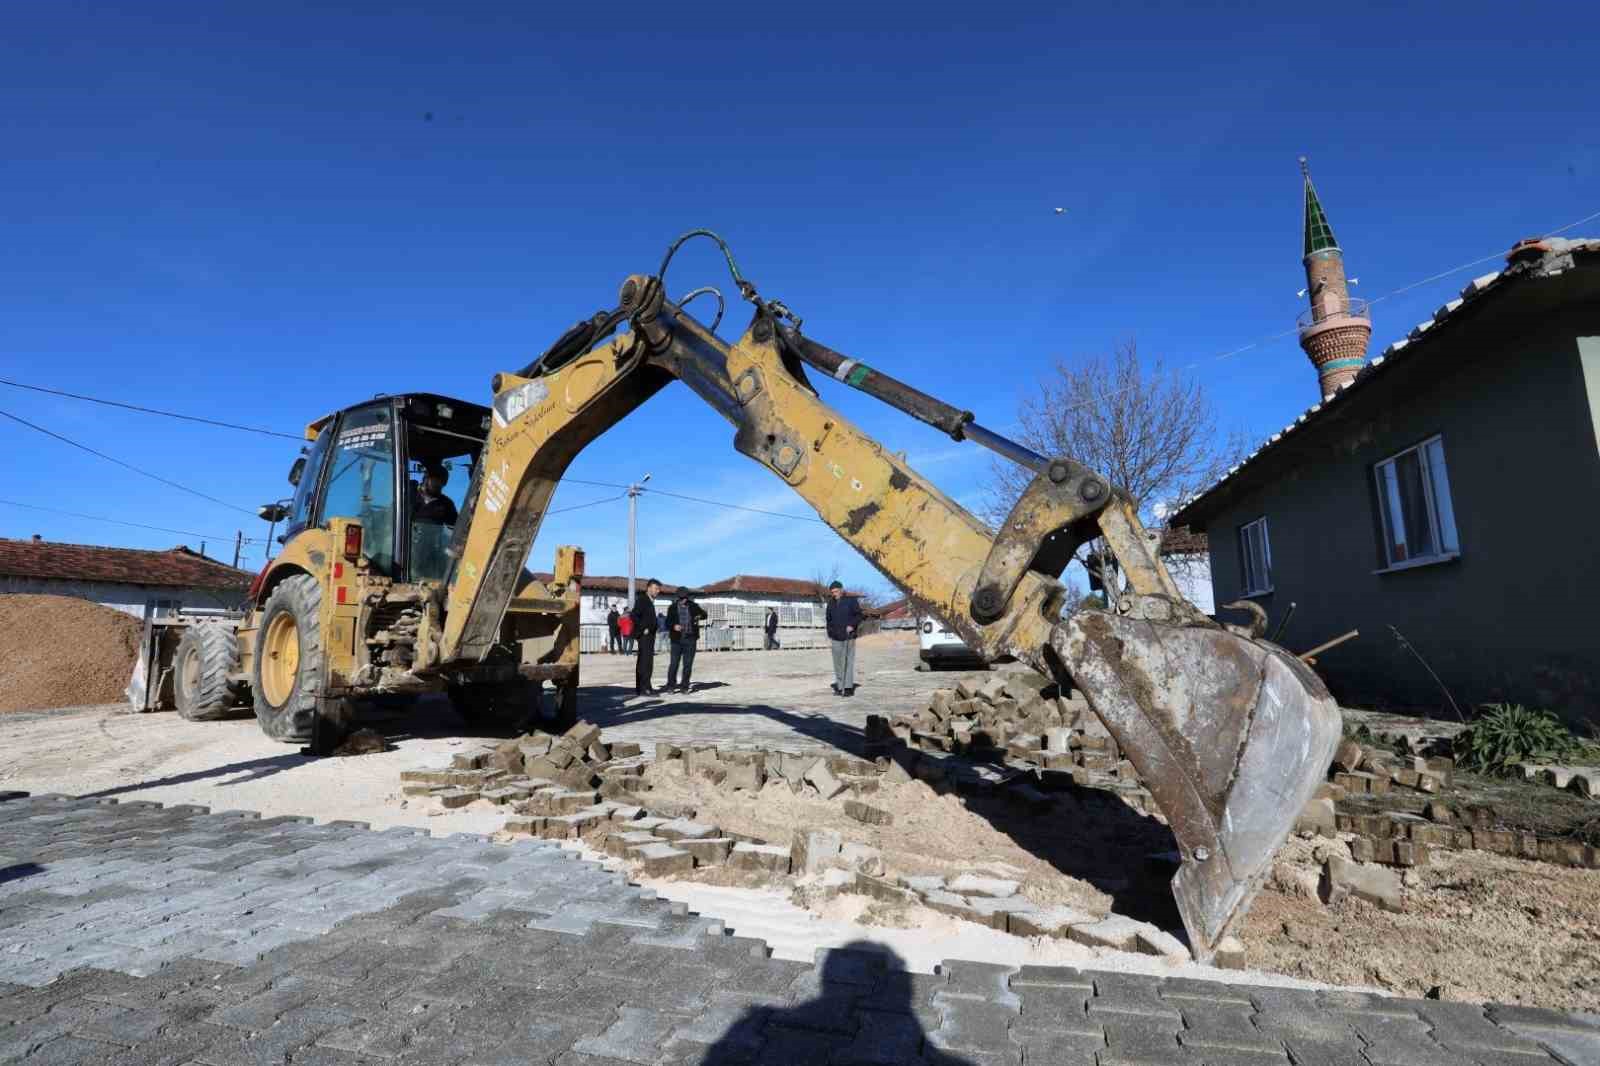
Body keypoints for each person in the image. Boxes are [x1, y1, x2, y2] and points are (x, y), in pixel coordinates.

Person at [665, 587, 708, 694]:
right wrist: (674, 626)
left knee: (687, 665)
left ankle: (684, 687)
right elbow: (667, 623)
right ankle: (671, 686)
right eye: (681, 598)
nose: (683, 600)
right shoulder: (672, 608)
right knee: (674, 664)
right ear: (678, 598)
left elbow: (704, 614)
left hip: (690, 639)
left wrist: (699, 616)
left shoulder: (693, 606)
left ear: (687, 597)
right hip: (676, 640)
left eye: (684, 598)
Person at [824, 580, 862, 696]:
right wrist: (830, 632)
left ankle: (849, 687)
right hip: (835, 636)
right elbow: (828, 619)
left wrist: (852, 625)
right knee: (838, 663)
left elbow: (859, 615)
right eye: (832, 592)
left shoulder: (851, 601)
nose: (834, 594)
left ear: (841, 589)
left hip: (848, 636)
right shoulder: (830, 603)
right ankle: (840, 687)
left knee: (848, 662)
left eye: (836, 591)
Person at [629, 579, 661, 696]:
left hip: (649, 636)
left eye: (658, 589)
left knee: (646, 662)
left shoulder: (649, 601)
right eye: (655, 588)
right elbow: (633, 615)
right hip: (645, 636)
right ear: (648, 588)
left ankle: (643, 688)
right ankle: (645, 688)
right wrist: (643, 628)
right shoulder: (643, 600)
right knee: (645, 663)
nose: (658, 591)